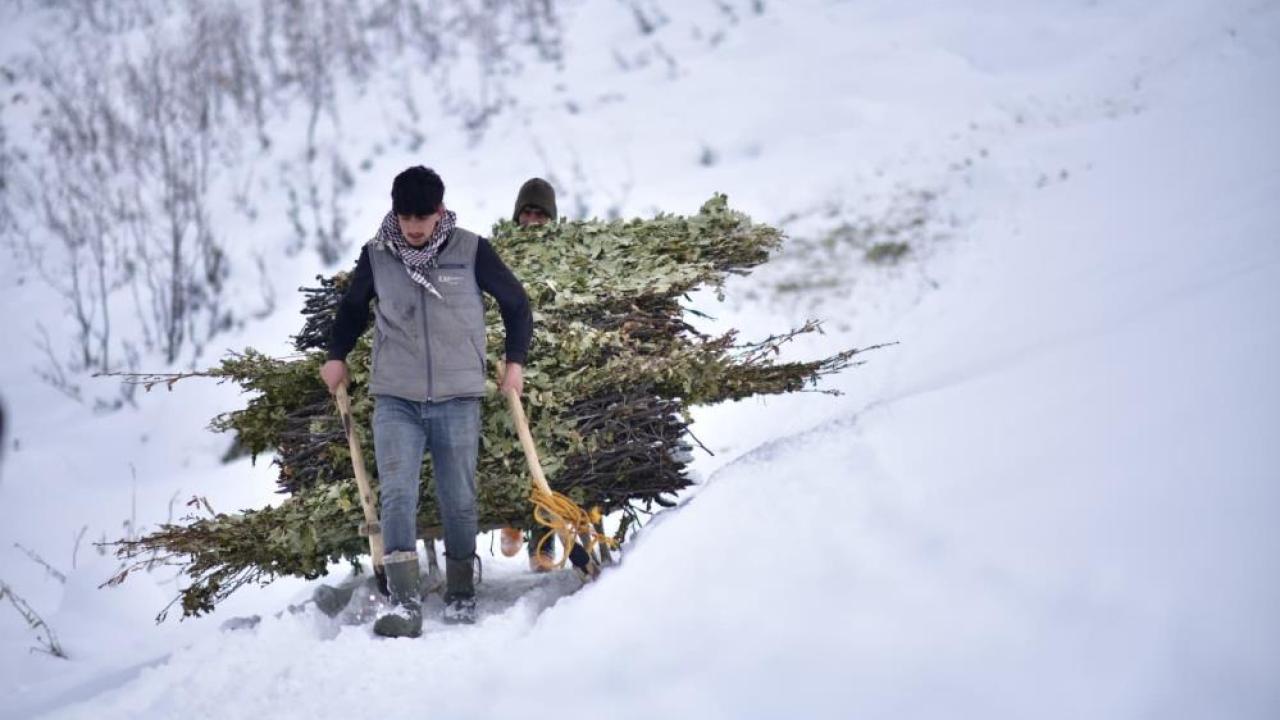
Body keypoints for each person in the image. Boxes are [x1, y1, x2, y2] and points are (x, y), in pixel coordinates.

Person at [321, 166, 531, 637]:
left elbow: (517, 304)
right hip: (397, 396)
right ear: (395, 213)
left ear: (440, 211)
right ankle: (404, 603)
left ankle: (461, 593)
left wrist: (515, 362)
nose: (414, 227)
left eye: (423, 217)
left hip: (458, 397)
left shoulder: (471, 250)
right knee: (397, 495)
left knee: (459, 499)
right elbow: (352, 310)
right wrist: (336, 355)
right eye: (406, 217)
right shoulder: (378, 255)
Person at [498, 177, 559, 572]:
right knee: (504, 441)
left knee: (552, 447)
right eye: (527, 212)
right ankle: (511, 520)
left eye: (540, 213)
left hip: (551, 365)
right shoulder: (499, 253)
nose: (533, 220)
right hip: (509, 357)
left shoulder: (566, 253)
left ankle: (544, 540)